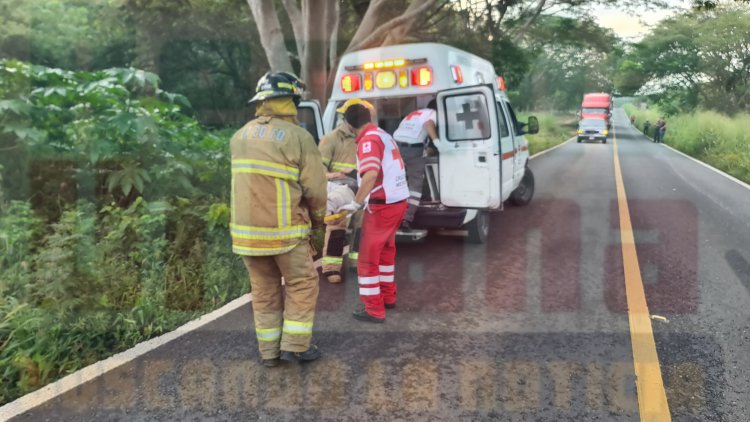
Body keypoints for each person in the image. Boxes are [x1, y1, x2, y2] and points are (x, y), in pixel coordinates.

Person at [230, 71, 327, 367]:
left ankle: (269, 352)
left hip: (246, 236)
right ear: (292, 101)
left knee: (264, 291)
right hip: (285, 234)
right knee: (302, 283)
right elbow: (315, 189)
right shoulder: (299, 137)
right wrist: (320, 220)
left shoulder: (239, 136)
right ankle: (297, 345)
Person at [337, 104, 409, 323]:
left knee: (367, 259)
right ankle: (387, 297)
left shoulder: (368, 140)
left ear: (348, 124)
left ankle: (373, 310)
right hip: (398, 201)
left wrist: (356, 203)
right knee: (386, 253)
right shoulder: (382, 135)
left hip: (382, 206)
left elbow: (370, 175)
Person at [317, 98, 374, 283]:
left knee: (362, 227)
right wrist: (337, 174)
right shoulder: (331, 139)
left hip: (362, 189)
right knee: (336, 228)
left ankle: (357, 264)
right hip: (339, 189)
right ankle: (331, 268)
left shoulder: (368, 137)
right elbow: (318, 170)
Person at [392, 99, 439, 229]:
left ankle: (392, 215)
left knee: (398, 182)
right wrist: (437, 142)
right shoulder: (433, 113)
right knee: (415, 185)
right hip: (413, 150)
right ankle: (406, 218)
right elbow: (429, 124)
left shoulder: (413, 114)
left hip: (396, 147)